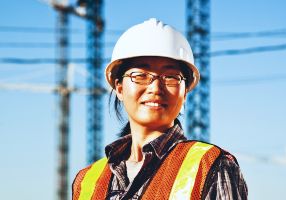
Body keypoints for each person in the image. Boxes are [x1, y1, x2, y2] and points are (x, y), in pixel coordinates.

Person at [72, 18, 248, 200]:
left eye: (171, 77)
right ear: (119, 88)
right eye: (140, 75)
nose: (155, 88)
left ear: (185, 91)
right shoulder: (87, 182)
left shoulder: (211, 167)